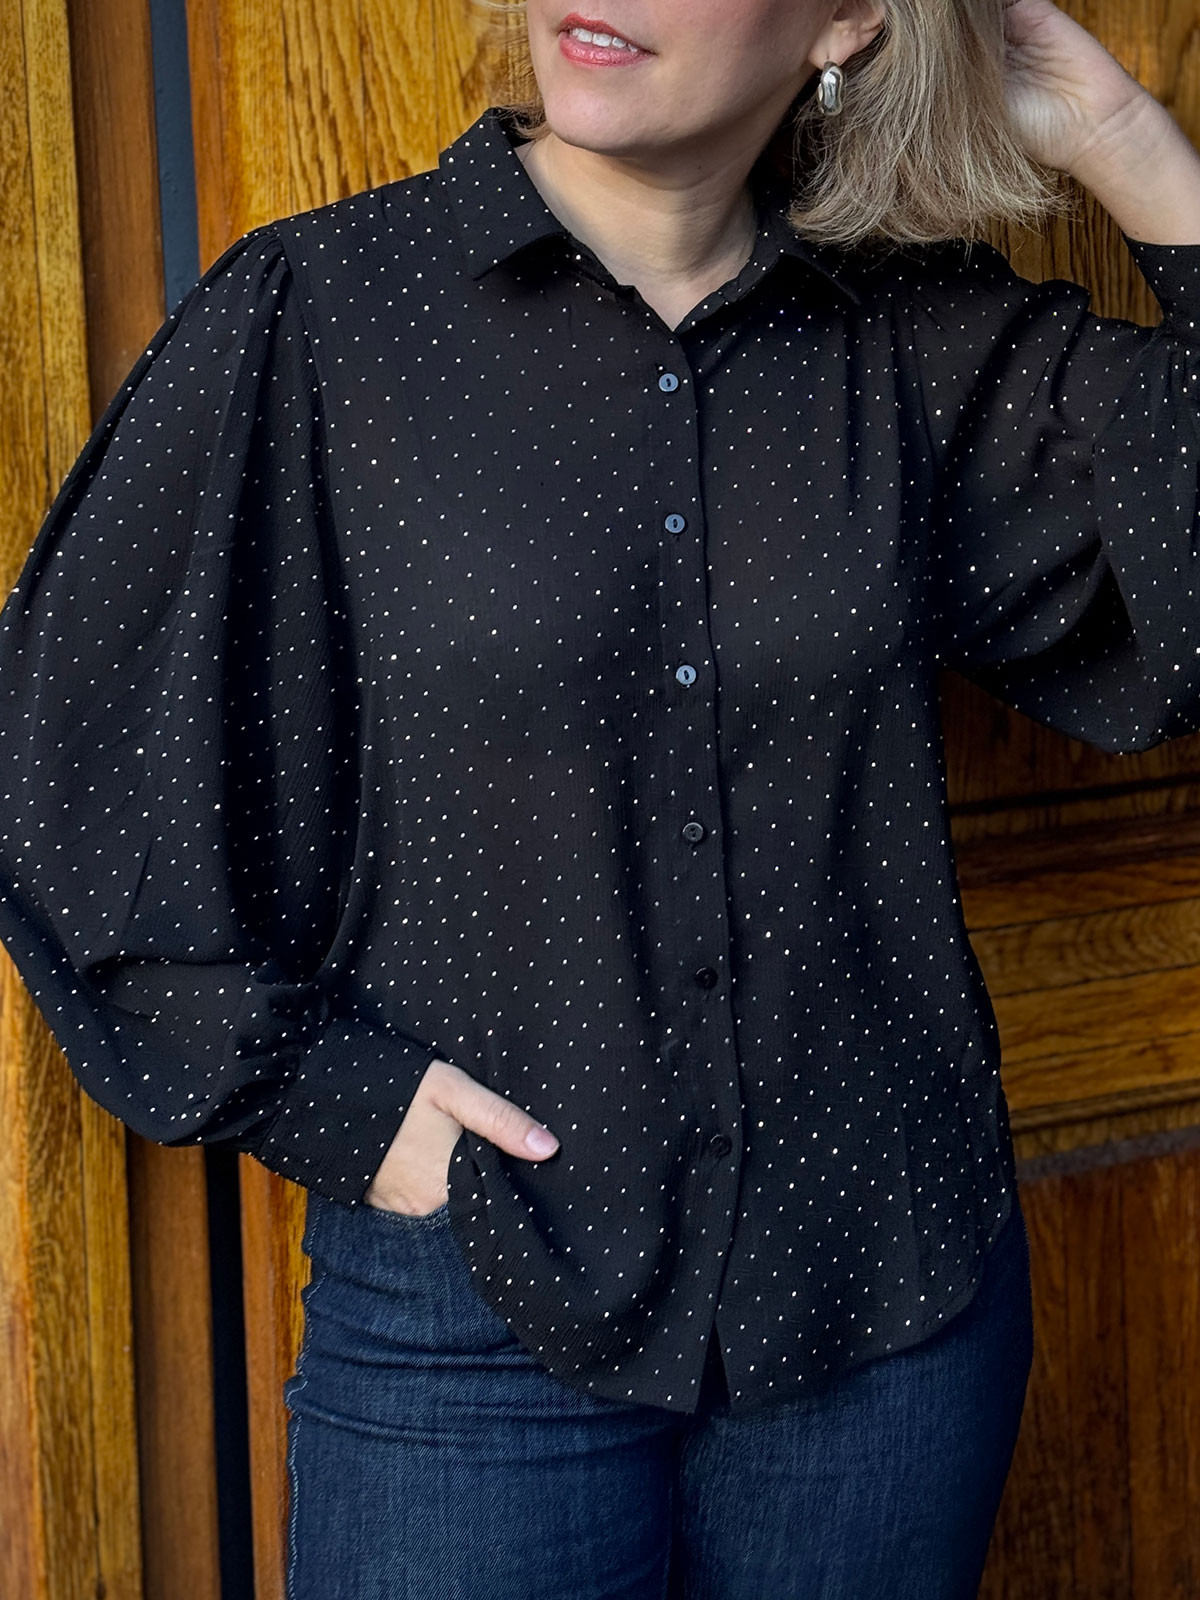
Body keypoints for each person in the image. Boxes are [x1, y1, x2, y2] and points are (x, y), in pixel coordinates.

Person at [2, 0, 1200, 1594]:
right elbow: (65, 764)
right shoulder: (324, 311)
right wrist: (338, 1107)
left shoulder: (919, 336)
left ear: (848, 18)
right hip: (473, 1308)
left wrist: (1133, 151)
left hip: (885, 1301)